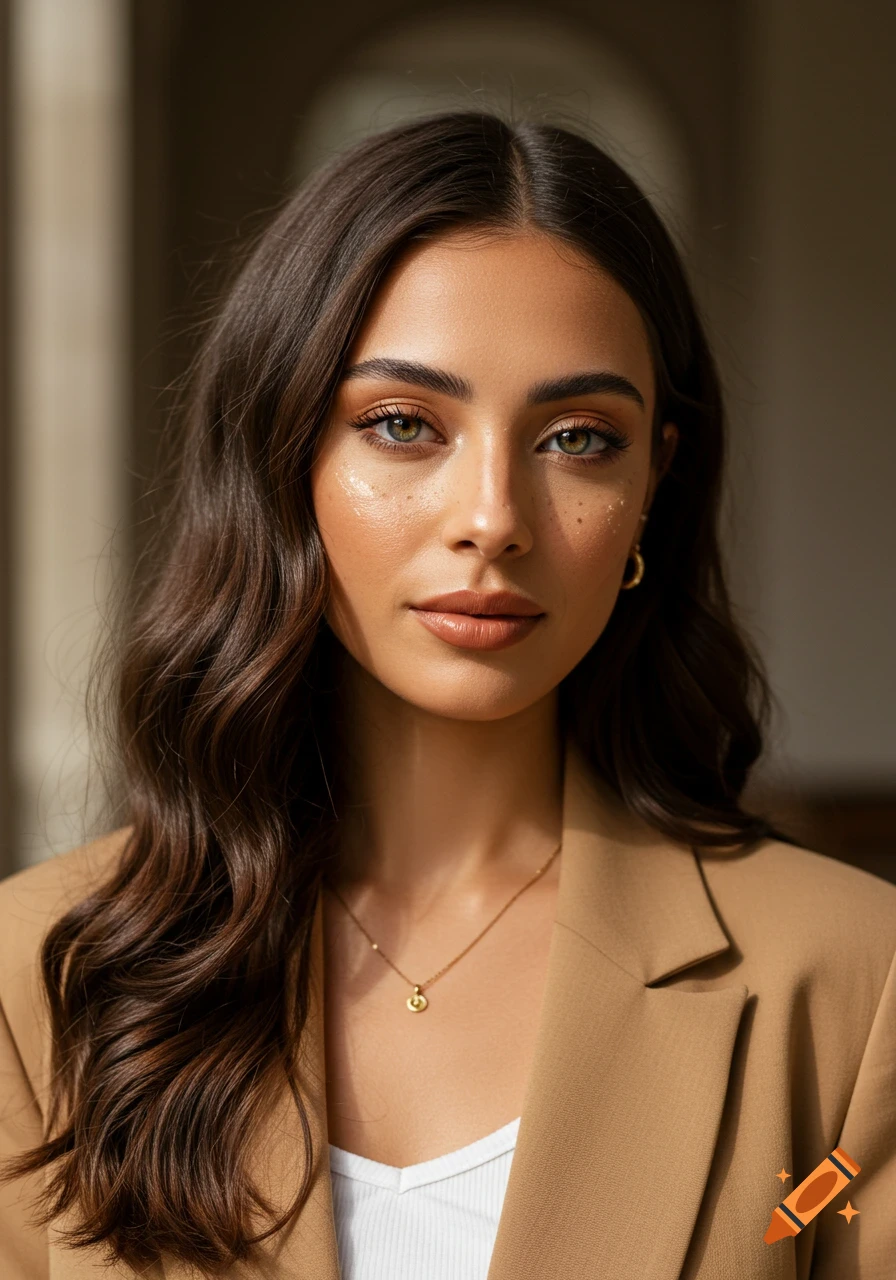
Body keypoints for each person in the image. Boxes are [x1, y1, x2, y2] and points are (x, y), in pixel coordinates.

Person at [1, 110, 894, 1280]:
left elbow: (803, 1227)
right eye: (401, 424)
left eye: (577, 438)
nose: (492, 517)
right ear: (282, 462)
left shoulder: (850, 977)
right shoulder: (39, 976)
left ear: (651, 489)